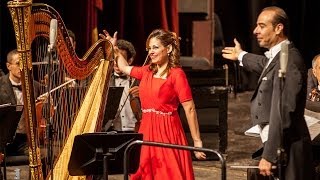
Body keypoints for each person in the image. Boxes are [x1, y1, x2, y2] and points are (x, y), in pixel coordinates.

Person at [222, 6, 314, 180]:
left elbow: (283, 111)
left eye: (262, 26)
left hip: (290, 149)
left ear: (279, 28)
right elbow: (264, 63)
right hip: (281, 146)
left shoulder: (290, 62)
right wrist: (241, 55)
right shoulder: (280, 57)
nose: (256, 31)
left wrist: (269, 155)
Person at [100, 29, 206, 179]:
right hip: (146, 131)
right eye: (149, 48)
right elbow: (123, 67)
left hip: (167, 133)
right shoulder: (146, 71)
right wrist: (114, 48)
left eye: (155, 47)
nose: (151, 52)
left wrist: (197, 142)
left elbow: (190, 109)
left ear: (168, 49)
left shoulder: (177, 75)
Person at [0, 49, 40, 156]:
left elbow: (44, 113)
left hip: (24, 140)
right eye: (18, 63)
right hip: (3, 141)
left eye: (24, 63)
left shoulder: (35, 86)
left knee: (41, 157)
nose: (22, 67)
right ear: (8, 66)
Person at [107, 39, 141, 132]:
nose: (115, 63)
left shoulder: (139, 80)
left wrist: (143, 93)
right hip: (111, 130)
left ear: (129, 61)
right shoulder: (105, 80)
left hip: (134, 129)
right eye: (114, 58)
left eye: (119, 59)